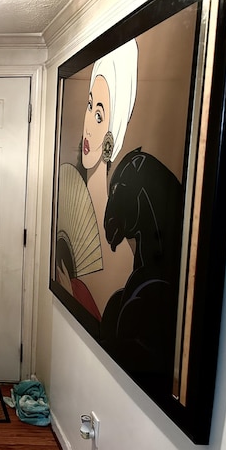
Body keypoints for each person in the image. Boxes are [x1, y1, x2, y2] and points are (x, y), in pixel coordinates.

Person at [56, 39, 138, 318]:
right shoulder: (69, 202)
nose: (89, 124)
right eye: (90, 106)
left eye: (100, 115)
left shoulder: (123, 257)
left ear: (112, 134)